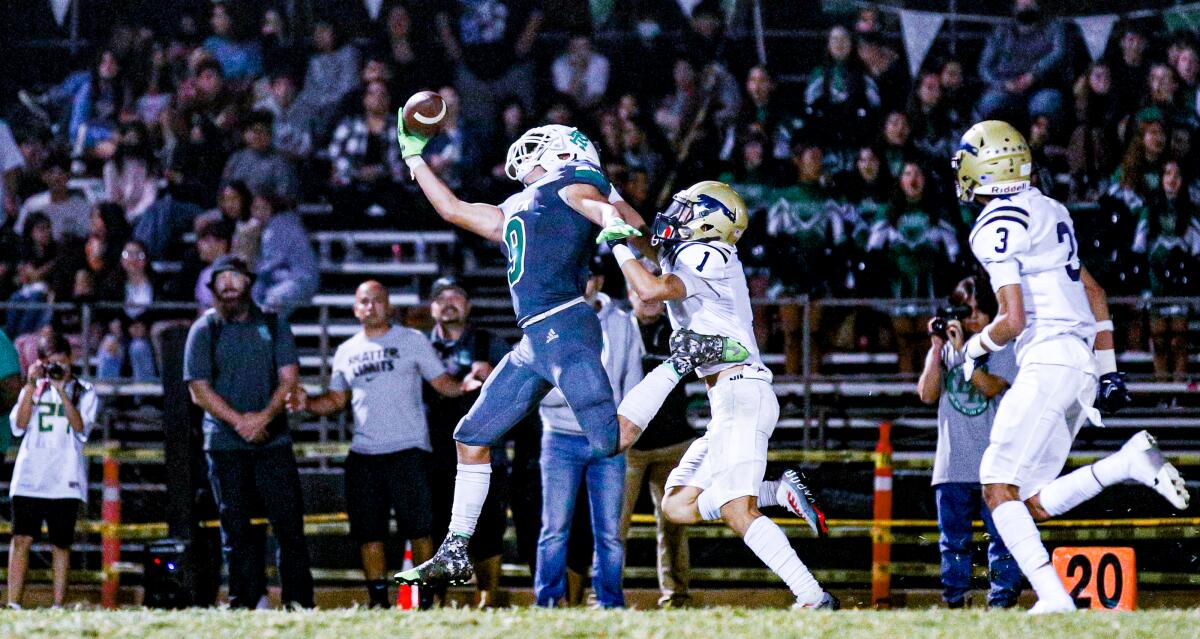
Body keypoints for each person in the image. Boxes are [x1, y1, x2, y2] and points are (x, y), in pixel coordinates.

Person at [392, 121, 652, 589]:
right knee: (470, 436)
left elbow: (615, 216)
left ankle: (680, 364)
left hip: (568, 326)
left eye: (536, 149)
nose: (526, 159)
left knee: (608, 442)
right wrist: (414, 158)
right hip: (535, 339)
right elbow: (452, 209)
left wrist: (613, 220)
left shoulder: (574, 182)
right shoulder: (518, 205)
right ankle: (455, 551)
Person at [951, 120, 1190, 613]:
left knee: (996, 485)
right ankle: (1126, 463)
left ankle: (1054, 598)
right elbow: (1094, 290)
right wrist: (1107, 372)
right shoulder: (1050, 208)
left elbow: (1012, 319)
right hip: (1078, 363)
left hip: (1048, 359)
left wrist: (973, 348)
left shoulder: (995, 223)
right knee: (1030, 500)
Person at [611, 180, 837, 610]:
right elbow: (642, 234)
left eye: (687, 209)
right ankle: (777, 493)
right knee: (677, 506)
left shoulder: (707, 253)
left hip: (742, 392)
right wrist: (609, 196)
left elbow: (651, 290)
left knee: (737, 511)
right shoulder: (691, 251)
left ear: (710, 220)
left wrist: (617, 247)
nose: (675, 215)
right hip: (727, 402)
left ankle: (811, 596)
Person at [286, 281, 470, 608]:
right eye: (364, 302)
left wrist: (470, 384)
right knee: (369, 533)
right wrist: (307, 404)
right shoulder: (346, 351)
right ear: (356, 309)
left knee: (420, 529)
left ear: (389, 305)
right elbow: (336, 400)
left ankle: (426, 600)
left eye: (377, 300)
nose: (371, 307)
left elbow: (444, 384)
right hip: (365, 455)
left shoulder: (412, 341)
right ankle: (378, 603)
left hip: (409, 450)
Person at [183, 255, 314, 609]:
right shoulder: (204, 329)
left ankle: (299, 603)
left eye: (234, 277)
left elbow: (290, 380)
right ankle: (243, 601)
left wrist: (263, 419)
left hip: (275, 441)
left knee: (289, 526)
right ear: (211, 288)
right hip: (225, 444)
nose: (227, 285)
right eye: (220, 279)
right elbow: (198, 390)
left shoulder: (274, 323)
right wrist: (241, 422)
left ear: (249, 282)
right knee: (235, 529)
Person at [534, 263, 642, 609]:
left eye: (588, 276)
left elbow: (633, 380)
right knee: (554, 528)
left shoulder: (623, 323)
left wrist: (623, 428)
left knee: (610, 533)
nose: (581, 284)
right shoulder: (546, 322)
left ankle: (610, 603)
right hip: (560, 437)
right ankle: (547, 601)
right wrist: (588, 399)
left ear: (599, 281)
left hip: (608, 439)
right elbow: (539, 384)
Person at [916, 276, 1022, 608]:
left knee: (1002, 538)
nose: (973, 318)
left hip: (995, 464)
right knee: (954, 542)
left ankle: (1002, 602)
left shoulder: (1003, 348)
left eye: (979, 311)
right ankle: (956, 601)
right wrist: (937, 350)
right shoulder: (947, 349)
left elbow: (989, 387)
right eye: (967, 311)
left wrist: (964, 352)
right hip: (953, 465)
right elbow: (927, 393)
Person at [423, 277, 512, 608]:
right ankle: (436, 602)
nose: (448, 302)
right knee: (437, 528)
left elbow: (522, 388)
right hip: (434, 456)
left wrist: (494, 374)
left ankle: (487, 600)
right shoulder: (419, 345)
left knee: (488, 531)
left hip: (484, 454)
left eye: (456, 296)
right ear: (431, 308)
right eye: (440, 297)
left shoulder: (490, 342)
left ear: (468, 305)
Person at [618, 268, 698, 608]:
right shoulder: (618, 328)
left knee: (674, 524)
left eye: (653, 290)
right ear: (629, 292)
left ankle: (676, 597)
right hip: (627, 444)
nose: (647, 298)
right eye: (639, 289)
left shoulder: (679, 328)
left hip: (674, 442)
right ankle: (605, 595)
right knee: (614, 526)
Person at [7, 332, 99, 609]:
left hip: (64, 477)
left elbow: (81, 428)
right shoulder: (33, 389)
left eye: (62, 362)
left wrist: (61, 391)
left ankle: (58, 605)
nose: (57, 368)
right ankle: (14, 603)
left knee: (60, 543)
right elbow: (18, 426)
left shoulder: (84, 390)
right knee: (21, 538)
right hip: (30, 475)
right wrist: (31, 386)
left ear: (71, 360)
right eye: (51, 363)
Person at [973, 0, 1068, 128]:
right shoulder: (1001, 31)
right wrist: (1004, 84)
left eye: (1029, 4)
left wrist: (1034, 74)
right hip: (1005, 88)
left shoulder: (1053, 27)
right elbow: (984, 67)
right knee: (989, 103)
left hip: (1041, 87)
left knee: (1047, 102)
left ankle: (1039, 143)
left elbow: (1059, 54)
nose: (1025, 7)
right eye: (1022, 4)